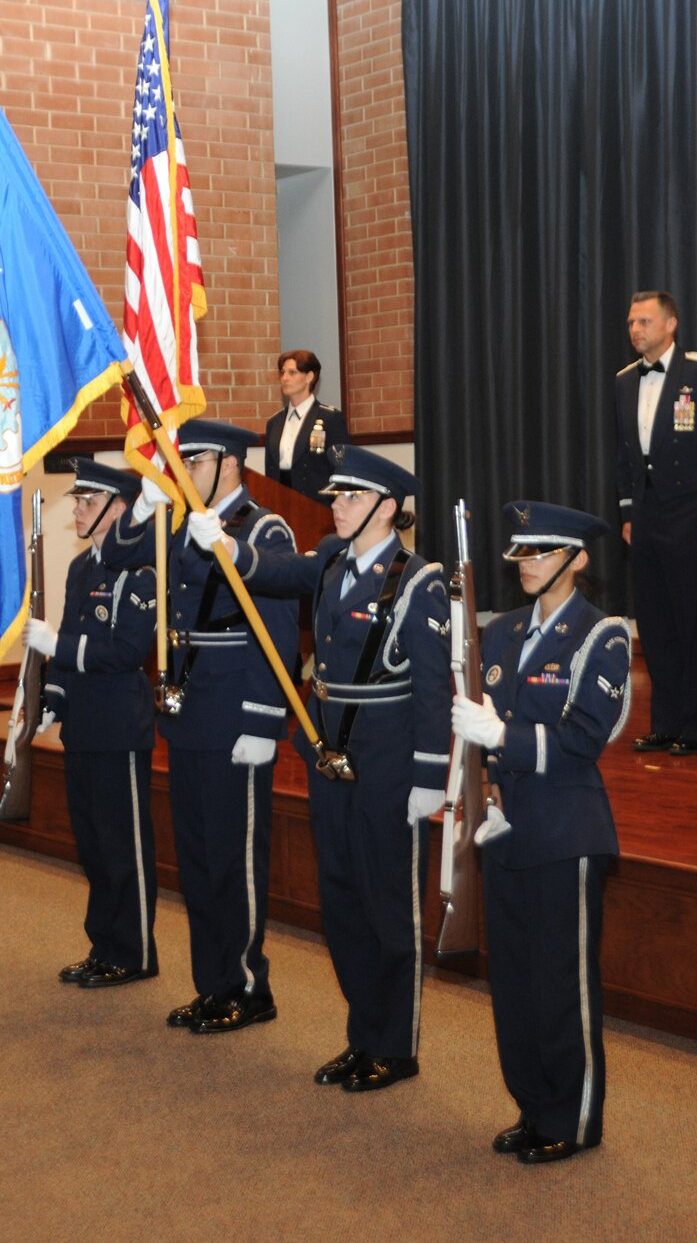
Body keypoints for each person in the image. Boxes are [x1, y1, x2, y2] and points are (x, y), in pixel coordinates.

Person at [189, 446, 450, 1092]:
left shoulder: (418, 581)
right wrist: (226, 546)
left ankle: (395, 1045)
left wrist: (428, 776)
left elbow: (433, 691)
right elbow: (275, 573)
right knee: (341, 899)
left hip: (389, 757)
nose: (337, 505)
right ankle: (363, 1035)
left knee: (388, 905)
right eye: (335, 496)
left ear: (387, 508)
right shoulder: (333, 560)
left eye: (352, 497)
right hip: (329, 750)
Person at [450, 501, 631, 1164]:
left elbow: (583, 738)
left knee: (562, 982)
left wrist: (501, 736)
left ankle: (573, 1115)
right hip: (505, 827)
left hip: (565, 828)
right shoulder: (499, 632)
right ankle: (532, 1104)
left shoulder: (601, 634)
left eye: (542, 552)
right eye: (521, 552)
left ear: (578, 558)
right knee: (517, 982)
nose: (527, 563)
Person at [103, 420, 300, 1030]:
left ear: (230, 463)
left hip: (235, 714)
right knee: (195, 858)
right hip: (187, 712)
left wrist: (265, 722)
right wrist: (143, 505)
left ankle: (247, 985)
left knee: (233, 858)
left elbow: (278, 629)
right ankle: (212, 984)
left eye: (192, 461)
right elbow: (114, 553)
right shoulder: (175, 524)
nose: (181, 471)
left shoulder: (262, 529)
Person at [23, 460, 161, 989]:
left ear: (119, 507)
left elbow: (126, 650)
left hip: (120, 723)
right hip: (82, 721)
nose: (77, 508)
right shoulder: (82, 568)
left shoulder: (142, 571)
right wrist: (50, 702)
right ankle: (104, 944)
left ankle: (135, 950)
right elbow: (69, 647)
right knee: (93, 844)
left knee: (124, 843)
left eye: (87, 500)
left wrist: (58, 645)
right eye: (77, 500)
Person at [610, 290, 697, 755]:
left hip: (692, 517)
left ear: (672, 324)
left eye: (644, 321)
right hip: (646, 518)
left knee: (691, 624)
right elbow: (625, 458)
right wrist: (627, 514)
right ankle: (664, 723)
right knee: (655, 624)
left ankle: (695, 728)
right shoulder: (625, 380)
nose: (635, 330)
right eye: (631, 322)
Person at [264, 350, 350, 499]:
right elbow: (271, 471)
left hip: (316, 504)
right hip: (280, 501)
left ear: (309, 377)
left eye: (292, 373)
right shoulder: (274, 422)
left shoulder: (329, 418)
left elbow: (342, 469)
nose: (285, 378)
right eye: (282, 372)